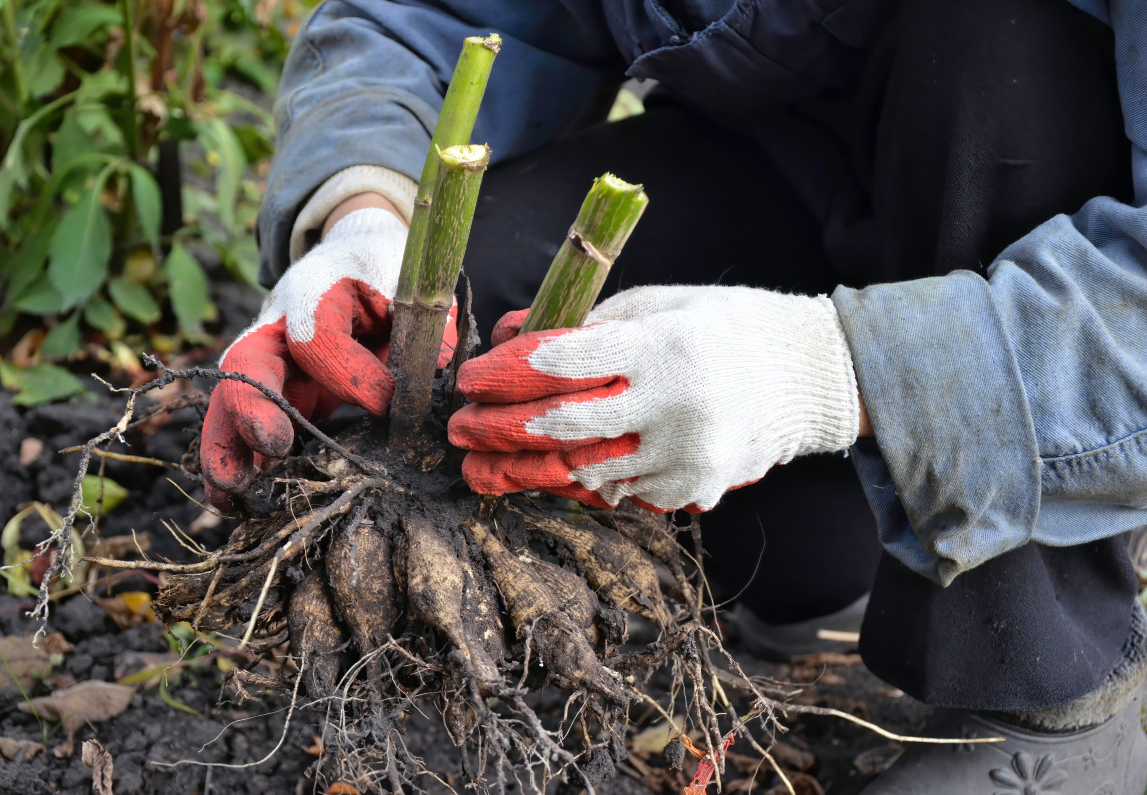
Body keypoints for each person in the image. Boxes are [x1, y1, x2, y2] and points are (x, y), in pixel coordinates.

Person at [199, 0, 1147, 790]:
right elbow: (434, 15)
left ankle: (1046, 686)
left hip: (1026, 201)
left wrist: (826, 373)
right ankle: (833, 544)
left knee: (993, 34)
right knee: (462, 325)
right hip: (797, 180)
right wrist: (362, 215)